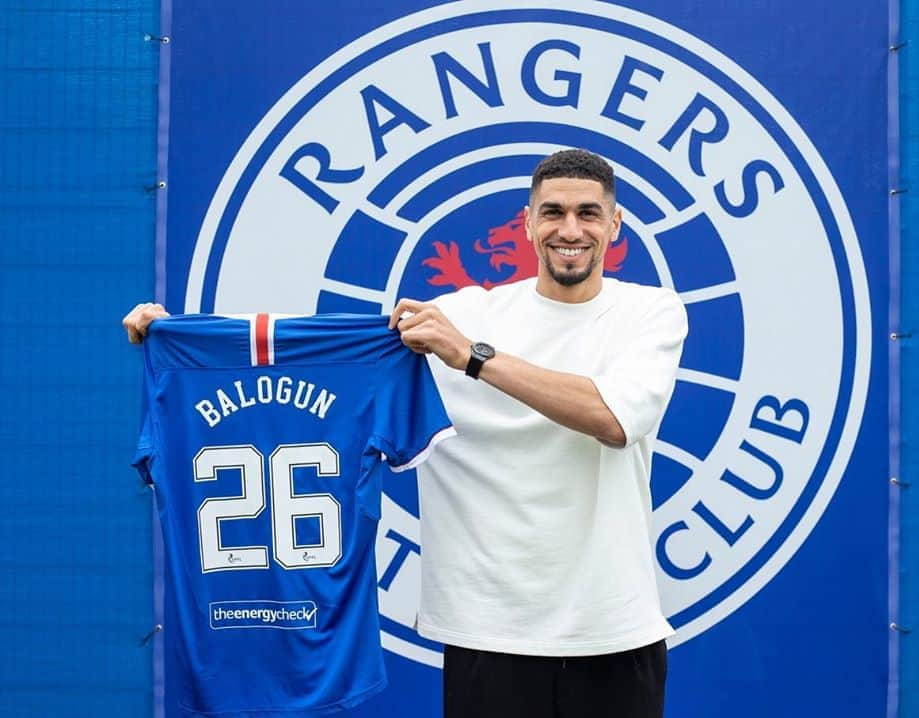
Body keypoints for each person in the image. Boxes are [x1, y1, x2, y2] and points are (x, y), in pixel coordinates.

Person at [124, 148, 688, 718]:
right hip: (486, 632)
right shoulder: (456, 314)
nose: (571, 230)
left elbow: (614, 419)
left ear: (615, 225)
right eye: (553, 212)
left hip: (615, 629)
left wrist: (470, 355)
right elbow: (315, 352)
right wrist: (178, 335)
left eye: (589, 213)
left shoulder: (650, 312)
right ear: (527, 222)